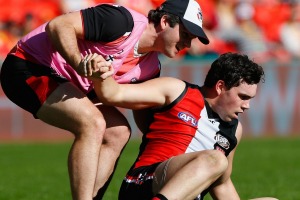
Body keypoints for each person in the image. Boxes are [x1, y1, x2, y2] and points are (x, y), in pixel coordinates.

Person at [0, 0, 209, 199]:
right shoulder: (121, 21)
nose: (188, 44)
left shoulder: (151, 67)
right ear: (165, 22)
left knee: (119, 132)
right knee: (92, 123)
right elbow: (58, 25)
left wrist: (175, 144)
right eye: (185, 34)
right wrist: (79, 63)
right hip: (26, 65)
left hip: (62, 81)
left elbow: (147, 125)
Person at [93, 52, 276, 200]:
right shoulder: (176, 90)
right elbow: (114, 94)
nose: (247, 106)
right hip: (143, 184)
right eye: (243, 97)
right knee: (216, 159)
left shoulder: (234, 129)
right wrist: (100, 73)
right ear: (220, 87)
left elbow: (221, 183)